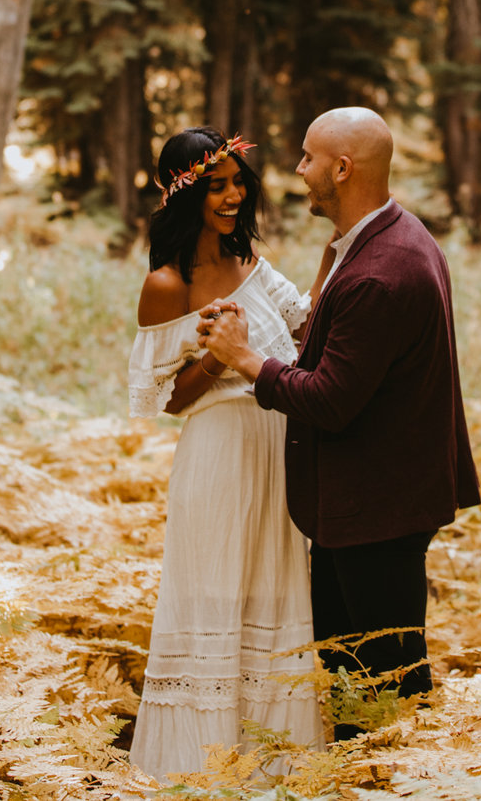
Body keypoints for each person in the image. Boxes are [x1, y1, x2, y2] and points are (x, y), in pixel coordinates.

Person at [196, 107, 481, 741]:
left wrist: (245, 358)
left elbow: (330, 398)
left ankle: (395, 784)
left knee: (387, 690)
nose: (298, 171)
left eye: (307, 159)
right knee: (348, 678)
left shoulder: (382, 271)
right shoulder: (387, 238)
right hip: (366, 504)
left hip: (377, 510)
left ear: (342, 168)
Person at [124, 127, 324, 778]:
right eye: (218, 186)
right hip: (217, 456)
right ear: (184, 193)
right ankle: (197, 771)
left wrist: (339, 252)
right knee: (212, 598)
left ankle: (274, 771)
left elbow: (308, 321)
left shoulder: (253, 268)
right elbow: (169, 401)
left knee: (272, 598)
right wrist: (217, 358)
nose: (234, 195)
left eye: (240, 182)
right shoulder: (167, 284)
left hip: (278, 449)